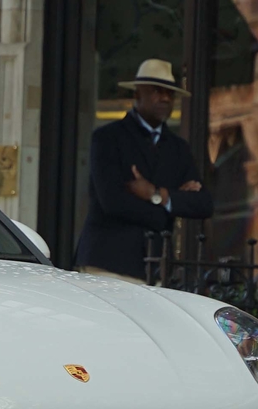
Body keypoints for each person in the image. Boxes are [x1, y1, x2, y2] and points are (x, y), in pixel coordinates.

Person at [74, 58, 212, 282]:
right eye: (157, 91)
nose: (165, 98)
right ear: (138, 93)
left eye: (170, 93)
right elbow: (112, 201)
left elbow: (204, 204)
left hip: (156, 269)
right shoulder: (108, 138)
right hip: (107, 263)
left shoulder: (178, 148)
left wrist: (156, 194)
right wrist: (169, 207)